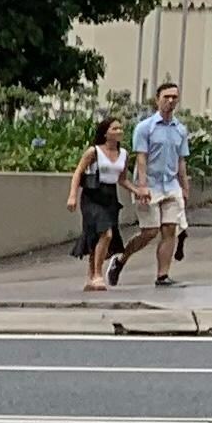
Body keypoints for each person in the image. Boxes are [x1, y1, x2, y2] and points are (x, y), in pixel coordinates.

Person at [130, 81, 194, 287]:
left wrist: (184, 186)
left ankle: (162, 275)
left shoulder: (180, 130)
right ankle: (121, 259)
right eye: (166, 97)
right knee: (150, 231)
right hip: (150, 183)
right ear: (157, 99)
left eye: (174, 97)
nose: (170, 101)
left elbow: (181, 159)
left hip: (171, 184)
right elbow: (141, 158)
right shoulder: (145, 128)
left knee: (169, 229)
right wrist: (142, 186)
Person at [69, 114, 130, 293]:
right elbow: (78, 172)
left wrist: (138, 191)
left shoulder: (124, 154)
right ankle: (97, 274)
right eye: (114, 128)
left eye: (120, 128)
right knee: (107, 234)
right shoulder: (93, 152)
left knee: (98, 237)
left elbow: (123, 179)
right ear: (105, 133)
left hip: (110, 196)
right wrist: (72, 195)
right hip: (92, 196)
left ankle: (91, 276)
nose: (119, 131)